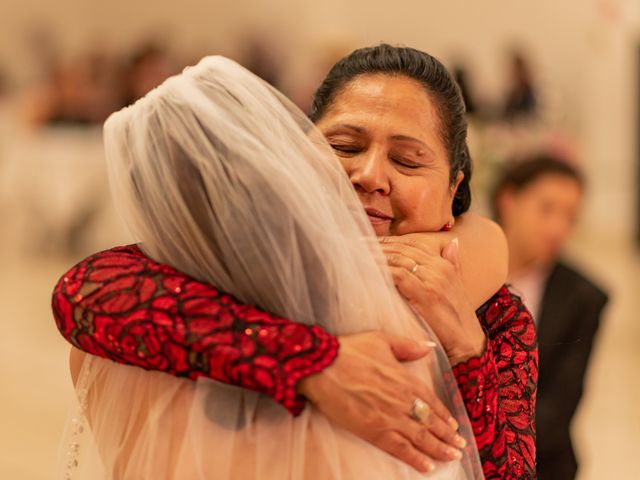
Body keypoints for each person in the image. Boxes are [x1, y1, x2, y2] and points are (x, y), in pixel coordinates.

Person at [53, 45, 537, 479]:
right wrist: (315, 362)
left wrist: (469, 358)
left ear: (454, 190)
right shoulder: (229, 282)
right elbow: (84, 290)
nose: (370, 175)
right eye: (344, 147)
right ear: (293, 159)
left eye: (408, 161)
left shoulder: (494, 316)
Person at [490, 153, 608, 479]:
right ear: (508, 200)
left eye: (570, 216)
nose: (558, 228)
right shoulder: (462, 265)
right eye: (547, 209)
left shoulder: (584, 296)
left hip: (539, 461)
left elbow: (559, 404)